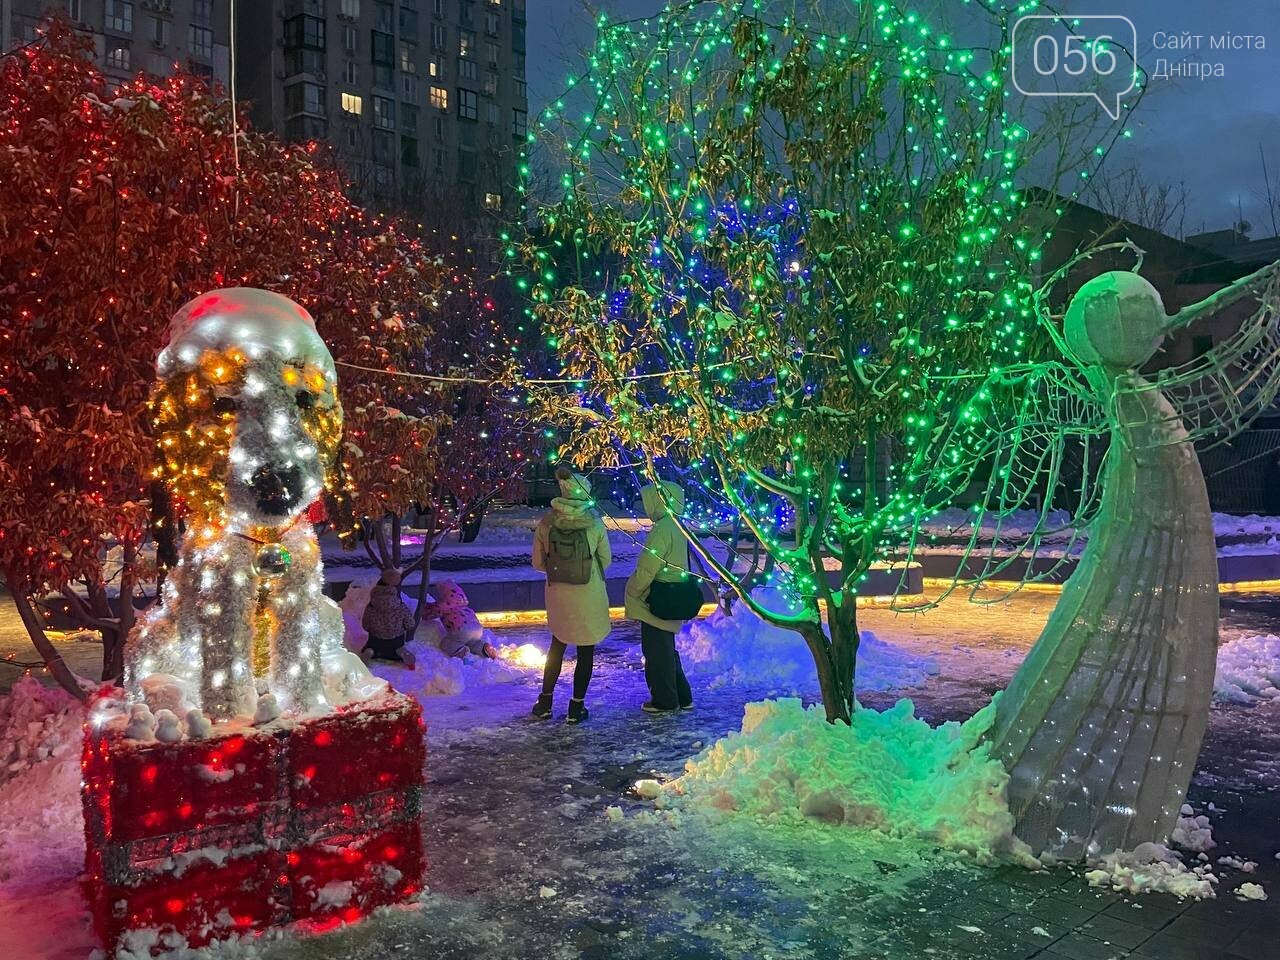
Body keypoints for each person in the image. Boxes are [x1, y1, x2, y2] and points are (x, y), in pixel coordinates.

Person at [530, 466, 612, 723]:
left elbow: (537, 563)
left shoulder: (547, 522)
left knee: (557, 646)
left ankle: (545, 702)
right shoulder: (594, 523)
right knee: (586, 651)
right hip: (589, 593)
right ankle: (576, 708)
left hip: (559, 594)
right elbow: (606, 560)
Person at [625, 482, 694, 714]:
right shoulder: (677, 524)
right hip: (674, 593)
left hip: (659, 596)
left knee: (656, 650)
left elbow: (648, 566)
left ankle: (665, 700)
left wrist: (634, 590)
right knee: (666, 648)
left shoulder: (663, 528)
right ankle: (682, 695)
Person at [360, 568, 417, 669]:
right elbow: (410, 623)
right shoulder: (399, 605)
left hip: (376, 640)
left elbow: (365, 625)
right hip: (396, 640)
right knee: (396, 647)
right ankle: (399, 651)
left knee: (372, 646)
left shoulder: (371, 606)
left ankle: (371, 651)